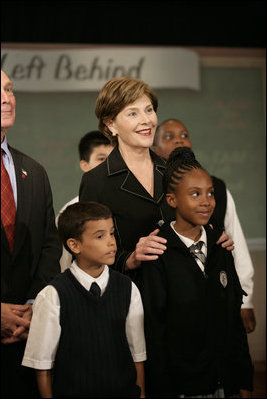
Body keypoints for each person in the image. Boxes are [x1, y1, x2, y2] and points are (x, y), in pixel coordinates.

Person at [79, 77, 233, 285]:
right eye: (133, 113)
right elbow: (86, 253)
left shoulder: (175, 171)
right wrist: (130, 259)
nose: (146, 120)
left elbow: (199, 225)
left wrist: (215, 238)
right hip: (131, 295)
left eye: (149, 110)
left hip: (186, 293)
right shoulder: (96, 181)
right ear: (111, 124)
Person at [140, 147, 253, 398]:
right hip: (183, 385)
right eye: (195, 194)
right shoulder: (158, 253)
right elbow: (155, 331)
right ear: (172, 200)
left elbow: (233, 319)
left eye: (210, 193)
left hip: (225, 381)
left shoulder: (221, 246)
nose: (206, 201)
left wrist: (242, 379)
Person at [22, 201, 146, 398]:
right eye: (100, 236)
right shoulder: (52, 295)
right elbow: (42, 365)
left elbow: (137, 354)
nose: (111, 242)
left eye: (112, 233)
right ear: (74, 245)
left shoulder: (127, 288)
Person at [152, 118, 256, 333]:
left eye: (184, 135)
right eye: (169, 137)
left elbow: (236, 242)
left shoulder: (217, 187)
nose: (179, 141)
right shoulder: (151, 190)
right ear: (154, 148)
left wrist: (246, 299)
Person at [1, 69, 61, 397]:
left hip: (28, 338)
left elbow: (49, 246)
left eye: (9, 89)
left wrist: (33, 305)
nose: (6, 98)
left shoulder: (35, 172)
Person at [56, 130, 114, 271]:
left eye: (113, 159)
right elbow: (64, 263)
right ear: (84, 165)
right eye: (101, 159)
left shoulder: (127, 202)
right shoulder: (69, 212)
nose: (109, 166)